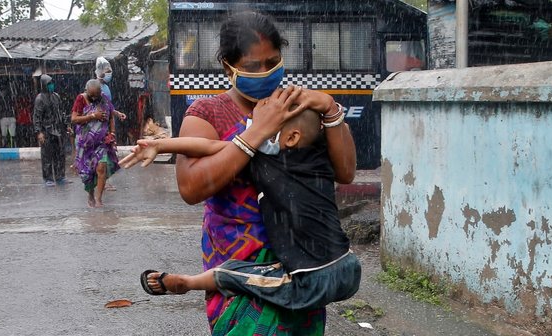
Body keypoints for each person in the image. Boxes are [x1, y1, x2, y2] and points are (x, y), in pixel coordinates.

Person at [145, 11, 356, 335]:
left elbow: (345, 172)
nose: (267, 72)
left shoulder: (294, 108)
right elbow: (190, 188)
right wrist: (257, 132)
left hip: (298, 262)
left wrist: (329, 107)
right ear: (229, 66)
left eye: (273, 62)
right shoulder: (206, 113)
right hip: (239, 266)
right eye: (255, 66)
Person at [121, 108, 361, 310]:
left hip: (313, 277)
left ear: (291, 138)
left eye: (265, 128)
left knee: (237, 273)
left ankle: (189, 282)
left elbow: (208, 146)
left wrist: (162, 146)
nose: (254, 134)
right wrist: (328, 106)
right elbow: (343, 131)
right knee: (265, 271)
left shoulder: (263, 158)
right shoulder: (320, 156)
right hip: (348, 265)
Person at [71, 79, 119, 207]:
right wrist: (93, 116)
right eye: (91, 96)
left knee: (101, 167)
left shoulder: (103, 99)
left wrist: (112, 133)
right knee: (88, 173)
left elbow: (111, 116)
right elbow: (74, 119)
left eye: (96, 95)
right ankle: (91, 194)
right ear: (86, 91)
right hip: (84, 144)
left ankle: (99, 199)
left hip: (101, 142)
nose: (94, 98)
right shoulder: (80, 99)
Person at [95, 56, 126, 191]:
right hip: (97, 127)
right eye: (106, 71)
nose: (108, 73)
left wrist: (117, 114)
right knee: (101, 156)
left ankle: (103, 180)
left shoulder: (106, 87)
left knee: (109, 155)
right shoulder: (94, 86)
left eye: (109, 70)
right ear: (99, 71)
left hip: (107, 126)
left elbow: (109, 106)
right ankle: (100, 181)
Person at [33, 74, 69, 186]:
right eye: (49, 84)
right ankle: (48, 178)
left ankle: (60, 176)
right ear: (44, 85)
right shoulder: (39, 99)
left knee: (60, 154)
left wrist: (67, 125)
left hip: (58, 130)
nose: (51, 86)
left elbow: (61, 112)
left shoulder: (56, 96)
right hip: (46, 131)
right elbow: (37, 117)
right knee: (47, 156)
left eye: (51, 83)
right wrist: (39, 132)